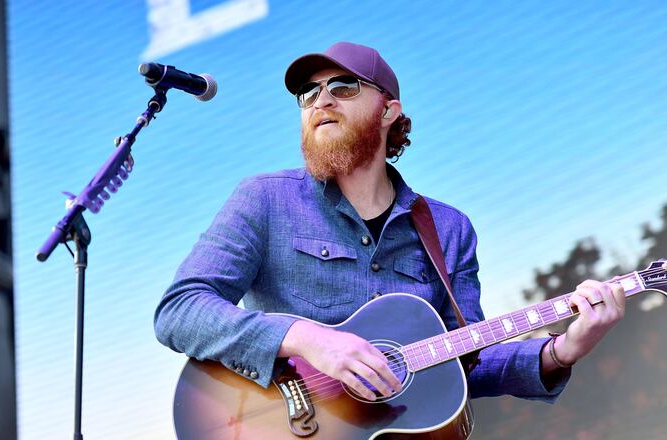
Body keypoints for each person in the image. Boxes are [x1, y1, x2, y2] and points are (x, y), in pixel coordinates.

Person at [154, 42, 625, 404]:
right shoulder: (265, 199)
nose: (321, 101)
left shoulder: (449, 229)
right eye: (309, 93)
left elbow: (465, 363)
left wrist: (561, 350)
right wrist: (309, 340)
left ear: (389, 111)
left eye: (343, 87)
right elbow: (181, 311)